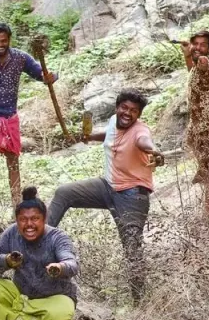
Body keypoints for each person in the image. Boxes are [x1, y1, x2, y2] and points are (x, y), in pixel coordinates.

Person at [47, 90, 160, 305]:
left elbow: (145, 141)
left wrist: (154, 150)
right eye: (124, 108)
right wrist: (89, 137)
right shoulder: (113, 121)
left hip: (132, 194)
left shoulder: (140, 131)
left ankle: (140, 302)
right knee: (64, 192)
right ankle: (39, 238)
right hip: (108, 186)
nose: (127, 113)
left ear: (139, 115)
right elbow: (109, 133)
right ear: (117, 107)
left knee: (131, 247)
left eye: (133, 111)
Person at [0, 23, 57, 211]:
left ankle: (16, 202)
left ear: (9, 40)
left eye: (4, 41)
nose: (0, 44)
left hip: (9, 115)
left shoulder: (21, 58)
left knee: (13, 159)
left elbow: (39, 72)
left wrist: (49, 76)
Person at [0, 187, 77, 320]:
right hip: (22, 298)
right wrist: (7, 261)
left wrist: (59, 267)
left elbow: (72, 264)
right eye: (23, 219)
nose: (29, 224)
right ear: (17, 220)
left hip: (55, 298)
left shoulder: (58, 237)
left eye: (35, 219)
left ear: (44, 219)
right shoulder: (11, 233)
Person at [181, 30, 209, 217]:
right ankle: (205, 203)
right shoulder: (196, 66)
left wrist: (197, 56)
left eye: (202, 44)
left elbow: (203, 64)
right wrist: (187, 55)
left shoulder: (206, 63)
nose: (198, 47)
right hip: (197, 122)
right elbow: (193, 71)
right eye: (195, 43)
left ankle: (206, 213)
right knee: (203, 165)